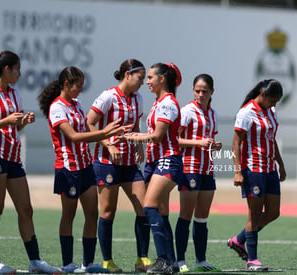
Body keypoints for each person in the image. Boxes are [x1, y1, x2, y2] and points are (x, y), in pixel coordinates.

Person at [0, 50, 60, 274]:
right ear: (6, 70)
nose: (20, 74)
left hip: (13, 158)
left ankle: (35, 261)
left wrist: (23, 121)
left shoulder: (14, 93)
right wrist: (6, 121)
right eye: (17, 69)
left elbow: (15, 126)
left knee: (26, 209)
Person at [37, 66, 127, 273]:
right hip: (68, 168)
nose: (80, 90)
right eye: (78, 86)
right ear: (66, 84)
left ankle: (88, 263)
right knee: (68, 215)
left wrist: (108, 139)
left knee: (92, 215)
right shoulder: (57, 107)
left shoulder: (76, 104)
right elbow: (74, 136)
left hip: (86, 166)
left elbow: (86, 128)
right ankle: (68, 263)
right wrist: (104, 132)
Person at [86, 59, 152, 273]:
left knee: (144, 208)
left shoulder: (138, 98)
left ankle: (142, 258)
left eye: (144, 78)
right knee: (107, 212)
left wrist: (139, 143)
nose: (142, 82)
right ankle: (107, 260)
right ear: (127, 75)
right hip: (107, 163)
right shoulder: (108, 96)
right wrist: (107, 144)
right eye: (140, 78)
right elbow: (90, 122)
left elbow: (136, 124)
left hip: (130, 163)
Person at [117, 62, 183, 274]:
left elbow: (158, 136)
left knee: (149, 206)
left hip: (168, 160)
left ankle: (163, 259)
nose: (147, 82)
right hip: (156, 161)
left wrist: (135, 137)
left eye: (151, 78)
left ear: (162, 79)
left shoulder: (168, 103)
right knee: (161, 211)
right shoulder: (158, 102)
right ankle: (171, 262)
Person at [227, 79, 286, 271]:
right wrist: (237, 172)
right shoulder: (246, 112)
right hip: (253, 169)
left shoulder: (271, 111)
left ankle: (239, 240)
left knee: (273, 212)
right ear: (262, 95)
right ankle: (252, 260)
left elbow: (272, 139)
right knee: (253, 214)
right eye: (273, 101)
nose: (274, 105)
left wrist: (280, 163)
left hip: (270, 169)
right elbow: (236, 143)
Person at [175, 74, 222, 273]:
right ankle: (180, 260)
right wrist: (198, 142)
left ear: (212, 92)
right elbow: (174, 139)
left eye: (204, 91)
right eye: (197, 90)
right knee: (186, 214)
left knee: (202, 217)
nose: (200, 94)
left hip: (207, 168)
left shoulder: (213, 114)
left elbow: (208, 142)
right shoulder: (186, 111)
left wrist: (215, 146)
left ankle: (201, 260)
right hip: (189, 168)